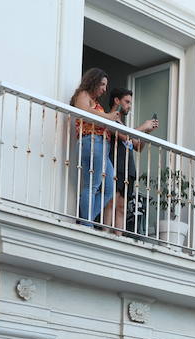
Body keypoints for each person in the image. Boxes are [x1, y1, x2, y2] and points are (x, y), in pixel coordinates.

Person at [70, 69, 119, 230]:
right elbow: (84, 112)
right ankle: (86, 224)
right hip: (92, 141)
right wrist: (108, 117)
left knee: (109, 189)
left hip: (102, 144)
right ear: (94, 81)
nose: (104, 89)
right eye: (102, 84)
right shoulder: (83, 94)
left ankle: (87, 220)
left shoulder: (95, 102)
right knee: (92, 185)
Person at [106, 87, 158, 233]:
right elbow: (126, 136)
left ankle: (118, 238)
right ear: (117, 100)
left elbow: (137, 146)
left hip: (128, 169)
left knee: (122, 207)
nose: (129, 106)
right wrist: (142, 127)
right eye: (127, 102)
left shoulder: (123, 124)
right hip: (115, 165)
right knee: (111, 202)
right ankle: (105, 233)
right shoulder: (109, 118)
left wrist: (147, 132)